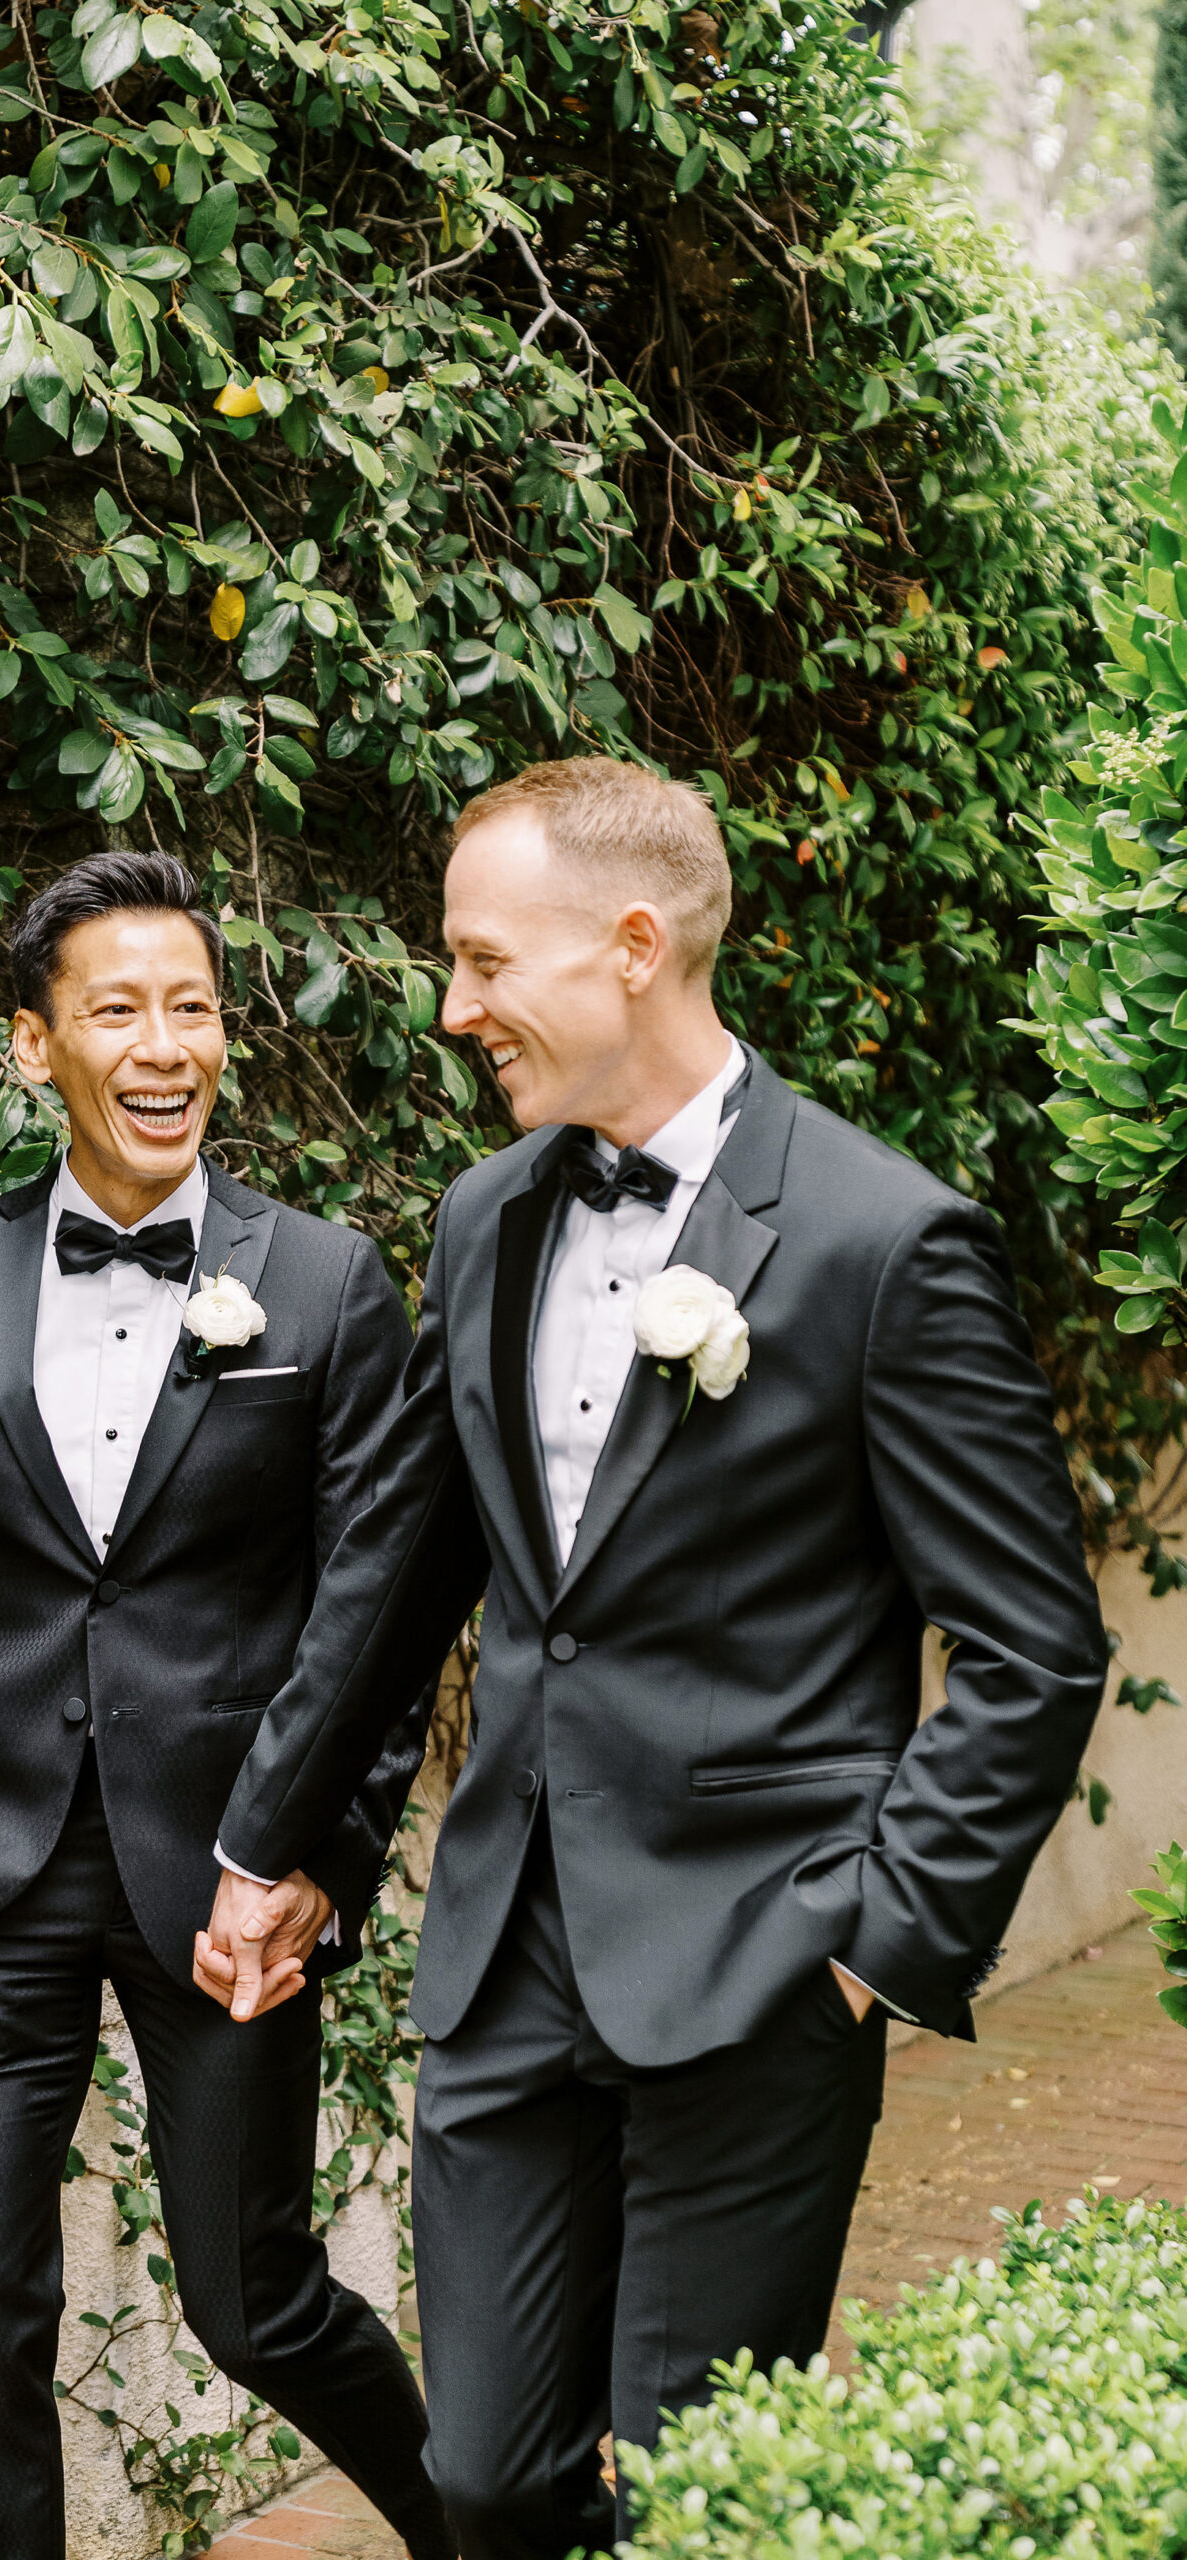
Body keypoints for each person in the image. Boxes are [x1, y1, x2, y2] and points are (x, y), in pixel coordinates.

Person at [200, 757, 1109, 2560]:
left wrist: (872, 1944)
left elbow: (1029, 1643)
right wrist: (271, 1843)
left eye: (480, 962)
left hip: (757, 1961)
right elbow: (405, 1566)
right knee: (479, 2480)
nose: (453, 1009)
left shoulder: (878, 1241)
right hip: (504, 1950)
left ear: (631, 948)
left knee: (692, 2494)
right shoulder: (483, 1218)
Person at [0, 850, 454, 2560]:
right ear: (36, 1049)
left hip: (229, 1874)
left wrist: (323, 1856)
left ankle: (493, 2534)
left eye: (193, 1007)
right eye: (117, 1010)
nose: (164, 1045)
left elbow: (376, 1614)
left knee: (256, 2303)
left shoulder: (322, 1285)